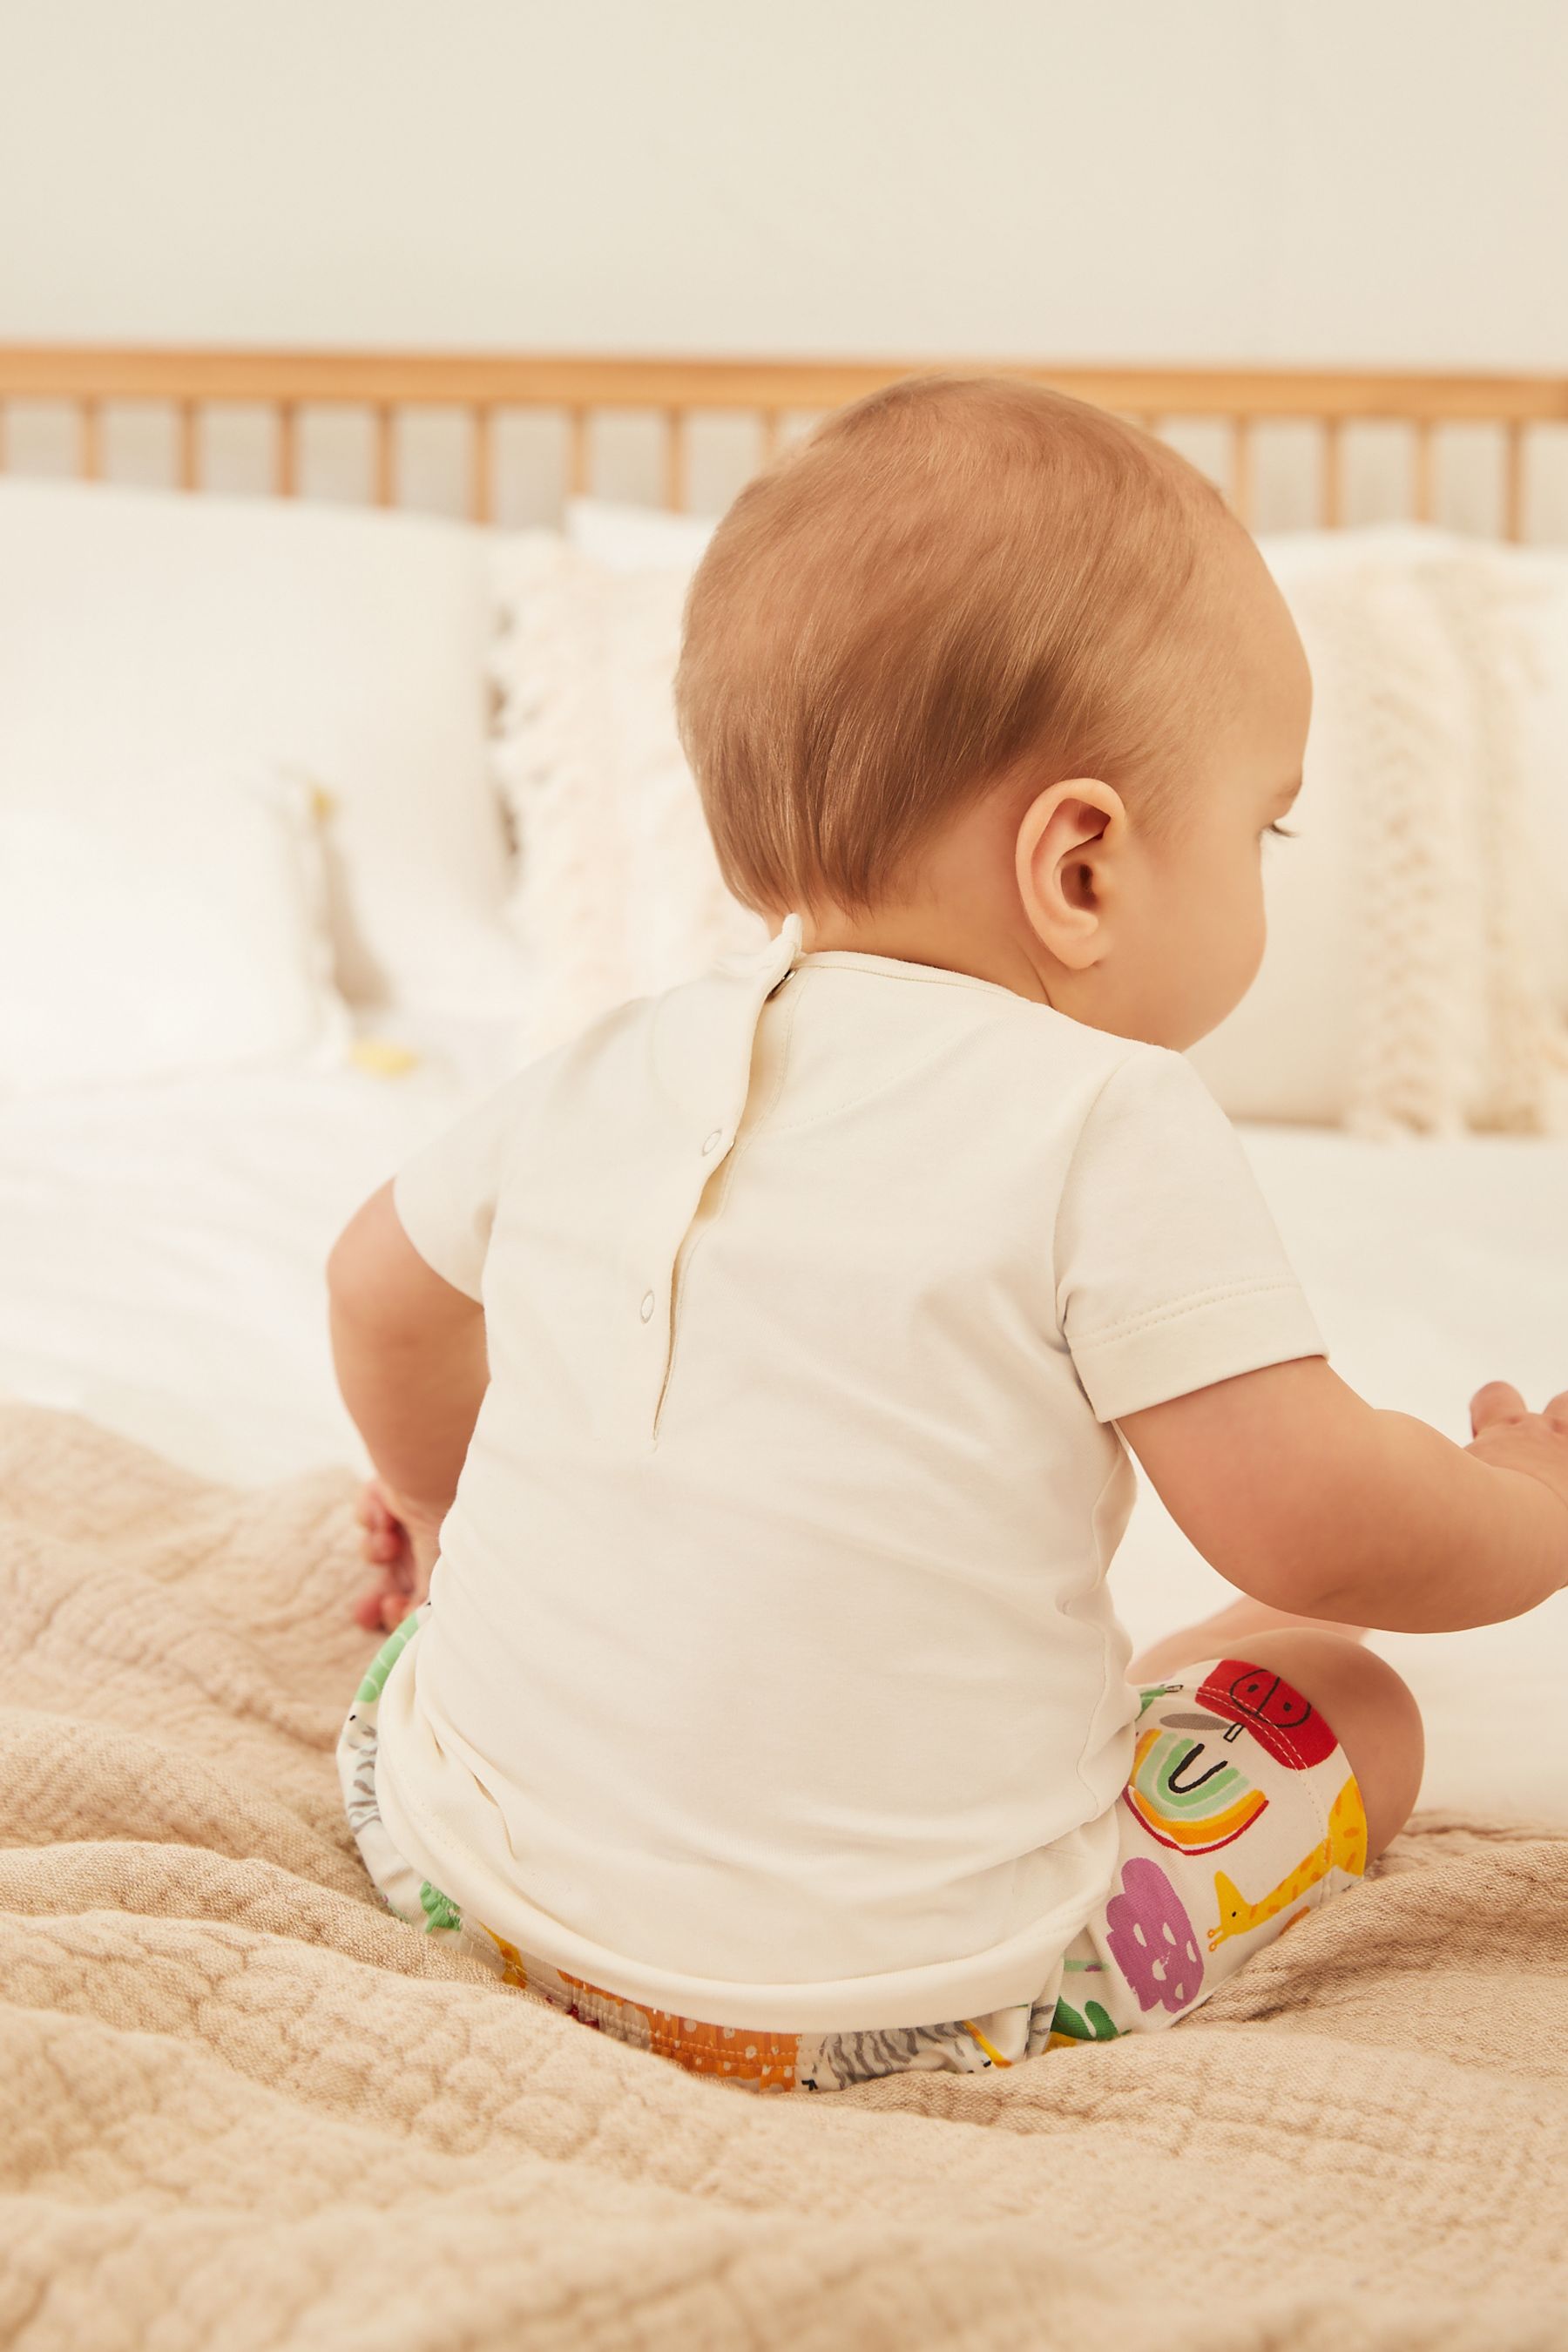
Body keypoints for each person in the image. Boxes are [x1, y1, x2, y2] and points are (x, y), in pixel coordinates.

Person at [328, 376, 1568, 2093]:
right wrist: (1526, 1507)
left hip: (466, 1883)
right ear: (1084, 866)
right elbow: (1319, 1529)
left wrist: (449, 1502)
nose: (1268, 865)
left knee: (494, 1656)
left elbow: (375, 1290)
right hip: (898, 2007)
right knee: (1332, 1687)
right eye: (1263, 826)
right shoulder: (1105, 1115)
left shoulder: (607, 1061)